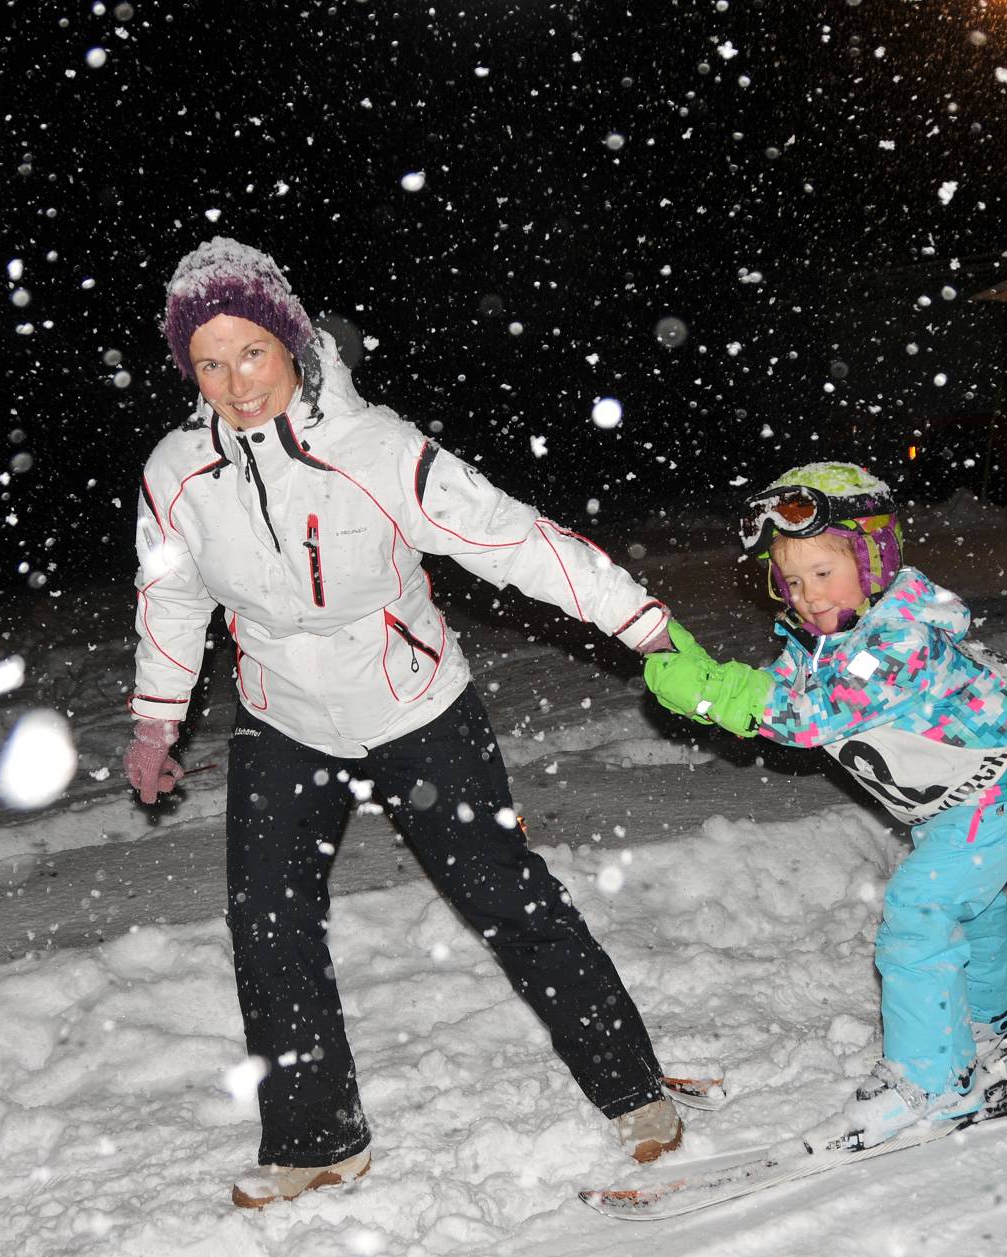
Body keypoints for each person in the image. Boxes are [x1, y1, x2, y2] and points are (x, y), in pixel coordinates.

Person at [126, 237, 687, 1208]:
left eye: (251, 353)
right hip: (281, 717)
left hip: (414, 705)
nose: (237, 384)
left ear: (290, 341)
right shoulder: (178, 472)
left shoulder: (378, 452)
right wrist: (154, 721)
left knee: (503, 896)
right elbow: (170, 598)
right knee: (268, 925)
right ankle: (315, 1138)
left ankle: (632, 1088)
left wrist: (643, 624)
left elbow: (514, 538)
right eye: (210, 365)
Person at [642, 462, 1007, 1148]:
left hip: (1001, 788)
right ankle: (986, 1019)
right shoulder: (826, 641)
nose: (808, 595)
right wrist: (707, 679)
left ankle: (933, 1082)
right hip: (965, 795)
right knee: (971, 901)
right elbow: (780, 693)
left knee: (918, 913)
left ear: (875, 561)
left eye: (823, 572)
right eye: (791, 580)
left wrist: (714, 692)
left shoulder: (897, 642)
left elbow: (808, 717)